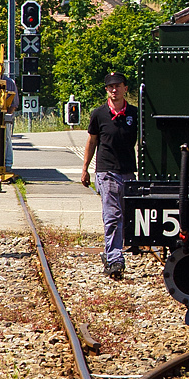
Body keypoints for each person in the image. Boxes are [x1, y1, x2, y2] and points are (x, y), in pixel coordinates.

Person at [81, 72, 138, 279]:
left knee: (127, 215)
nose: (114, 89)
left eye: (118, 86)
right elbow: (92, 141)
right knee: (113, 216)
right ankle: (115, 259)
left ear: (125, 88)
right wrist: (85, 168)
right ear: (106, 90)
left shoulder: (134, 114)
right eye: (110, 86)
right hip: (107, 171)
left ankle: (112, 251)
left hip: (128, 172)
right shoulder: (99, 114)